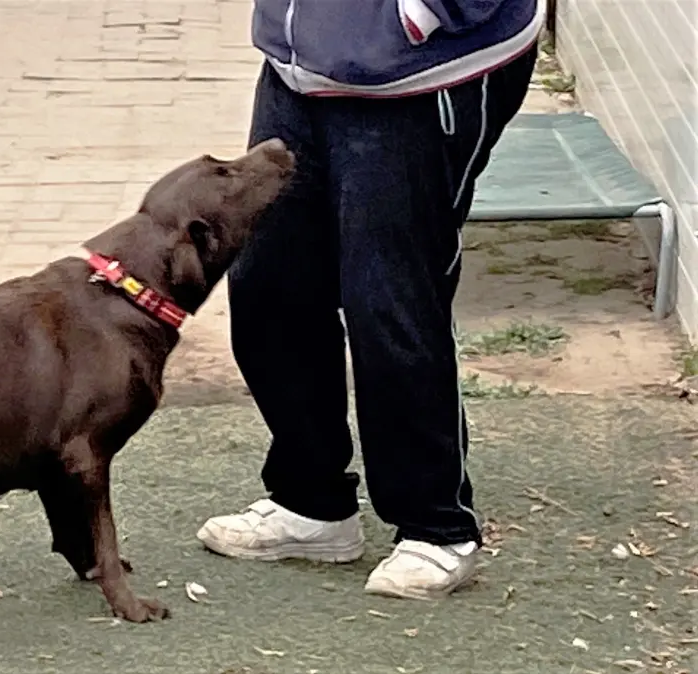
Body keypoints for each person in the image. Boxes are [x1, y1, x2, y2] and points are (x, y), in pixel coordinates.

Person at [196, 0, 544, 599]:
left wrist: (420, 16)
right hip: (299, 63)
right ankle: (314, 504)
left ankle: (437, 528)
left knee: (388, 296)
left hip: (423, 69)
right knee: (269, 283)